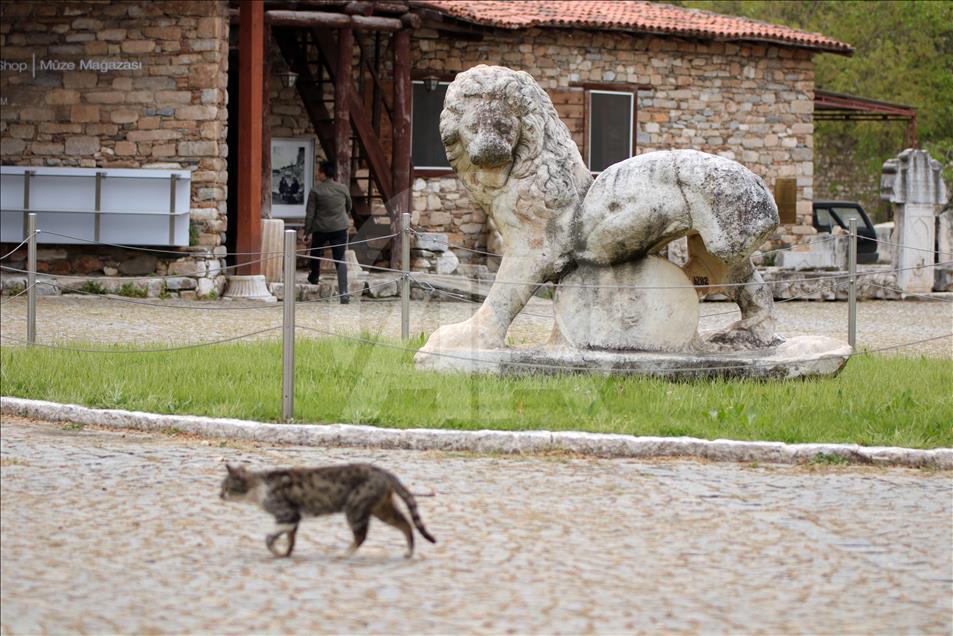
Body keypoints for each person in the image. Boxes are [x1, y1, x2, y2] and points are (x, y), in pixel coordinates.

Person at [304, 161, 352, 303]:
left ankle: (314, 278)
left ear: (324, 173)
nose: (317, 174)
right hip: (339, 228)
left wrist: (307, 231)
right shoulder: (342, 188)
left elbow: (310, 214)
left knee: (315, 253)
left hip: (321, 228)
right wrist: (342, 218)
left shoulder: (316, 191)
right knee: (340, 259)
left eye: (319, 171)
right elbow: (349, 206)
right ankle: (344, 292)